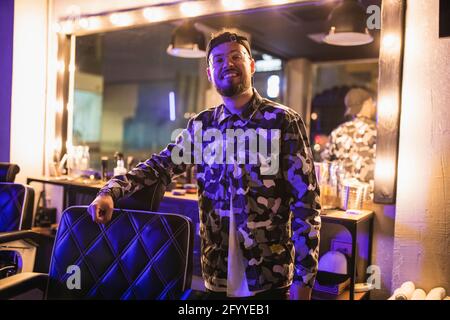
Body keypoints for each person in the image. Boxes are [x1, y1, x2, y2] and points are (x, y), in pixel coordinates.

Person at [88, 30, 321, 300]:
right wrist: (110, 190)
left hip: (269, 275)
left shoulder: (282, 121)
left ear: (252, 65)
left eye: (236, 56)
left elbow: (307, 203)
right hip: (216, 274)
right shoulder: (203, 125)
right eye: (218, 60)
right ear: (209, 74)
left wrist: (304, 281)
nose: (228, 64)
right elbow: (161, 165)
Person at [321, 88, 377, 184]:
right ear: (367, 103)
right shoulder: (377, 131)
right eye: (372, 103)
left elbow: (325, 165)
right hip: (369, 194)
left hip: (344, 192)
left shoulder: (338, 132)